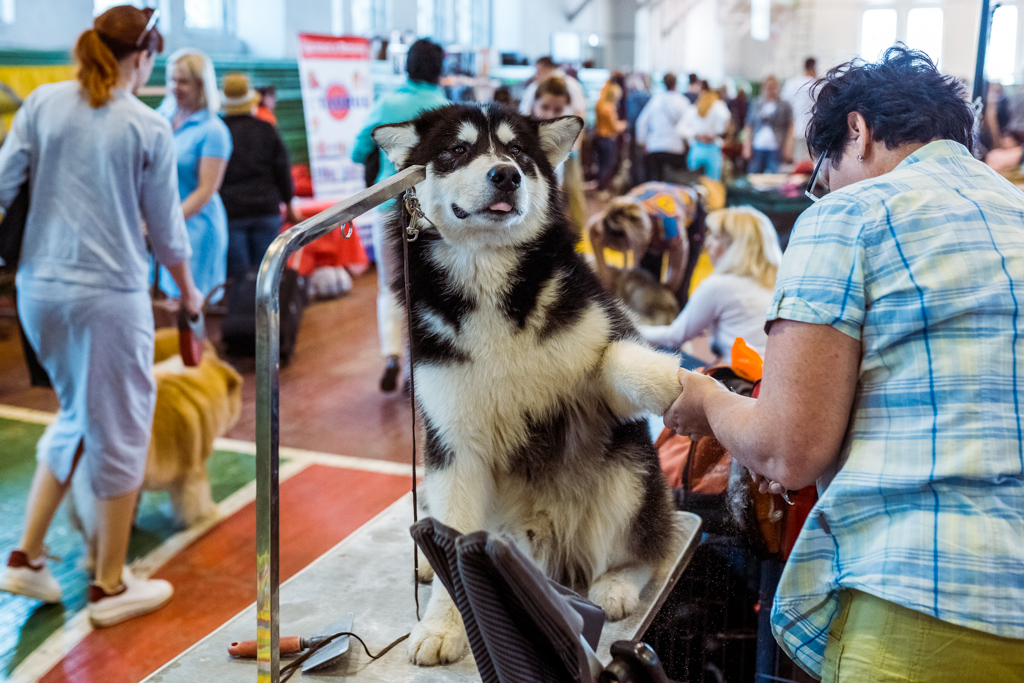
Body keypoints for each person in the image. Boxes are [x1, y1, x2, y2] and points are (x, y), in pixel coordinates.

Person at [664, 47, 1024, 683]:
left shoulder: (852, 214)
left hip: (923, 606)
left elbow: (787, 449)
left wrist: (708, 402)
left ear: (855, 131)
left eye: (823, 175)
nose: (822, 191)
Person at [0, 5, 202, 626]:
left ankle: (26, 558)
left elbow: (3, 186)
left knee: (75, 415)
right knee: (121, 430)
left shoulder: (42, 105)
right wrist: (190, 294)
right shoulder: (146, 126)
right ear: (141, 58)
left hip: (39, 292)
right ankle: (111, 586)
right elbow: (168, 232)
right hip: (108, 299)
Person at [352, 38, 448, 392]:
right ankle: (415, 369)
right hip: (433, 213)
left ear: (406, 65)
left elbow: (358, 148)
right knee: (425, 289)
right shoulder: (445, 108)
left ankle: (392, 354)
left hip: (389, 204)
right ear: (440, 68)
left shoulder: (387, 103)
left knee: (390, 286)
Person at [638, 207, 780, 363]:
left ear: (734, 246)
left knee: (662, 351)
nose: (708, 242)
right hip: (771, 374)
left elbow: (675, 335)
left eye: (715, 236)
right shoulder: (776, 283)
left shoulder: (720, 285)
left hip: (746, 376)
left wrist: (629, 328)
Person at [154, 49, 232, 301]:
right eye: (172, 80)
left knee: (192, 304)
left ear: (200, 85)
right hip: (166, 223)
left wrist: (166, 222)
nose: (175, 87)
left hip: (197, 228)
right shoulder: (161, 118)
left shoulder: (213, 130)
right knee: (168, 302)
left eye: (183, 81)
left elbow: (205, 191)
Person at [219, 73, 297, 280]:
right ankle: (267, 313)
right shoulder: (266, 129)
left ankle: (243, 312)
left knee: (239, 277)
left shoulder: (218, 131)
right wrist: (289, 205)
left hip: (230, 212)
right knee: (267, 275)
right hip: (266, 209)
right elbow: (282, 169)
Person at [587, 181, 702, 306]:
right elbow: (592, 227)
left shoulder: (671, 230)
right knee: (647, 277)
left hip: (690, 211)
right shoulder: (614, 216)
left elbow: (674, 273)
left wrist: (664, 296)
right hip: (651, 207)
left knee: (679, 293)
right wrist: (603, 269)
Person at [635, 73, 689, 182]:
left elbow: (641, 122)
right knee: (674, 183)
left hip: (655, 146)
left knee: (655, 182)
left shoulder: (656, 100)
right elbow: (689, 126)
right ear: (676, 83)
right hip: (675, 148)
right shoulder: (683, 102)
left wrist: (643, 142)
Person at [677, 88, 732, 181]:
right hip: (704, 147)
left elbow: (681, 128)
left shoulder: (698, 109)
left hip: (705, 147)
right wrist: (697, 134)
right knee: (708, 180)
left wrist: (696, 134)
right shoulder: (698, 109)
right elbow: (725, 121)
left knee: (698, 179)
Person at [742, 75, 793, 174]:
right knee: (754, 175)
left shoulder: (785, 105)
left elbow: (790, 127)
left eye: (773, 87)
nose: (770, 90)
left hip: (776, 148)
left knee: (776, 177)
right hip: (757, 147)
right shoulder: (756, 103)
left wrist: (788, 148)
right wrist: (746, 146)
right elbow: (749, 125)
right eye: (768, 87)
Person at [518, 56, 586, 120]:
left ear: (546, 68)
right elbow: (524, 113)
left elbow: (580, 113)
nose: (550, 116)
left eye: (557, 110)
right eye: (545, 108)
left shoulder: (571, 84)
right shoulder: (534, 86)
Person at [780, 57, 816, 163]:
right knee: (809, 165)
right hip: (810, 131)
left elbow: (783, 106)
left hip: (792, 130)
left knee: (797, 164)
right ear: (814, 67)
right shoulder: (816, 85)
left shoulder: (791, 84)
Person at [594, 82, 627, 191]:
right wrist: (624, 124)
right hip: (608, 139)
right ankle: (603, 189)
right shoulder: (609, 108)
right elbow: (614, 126)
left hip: (599, 137)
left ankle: (600, 188)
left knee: (601, 165)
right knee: (606, 166)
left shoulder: (600, 105)